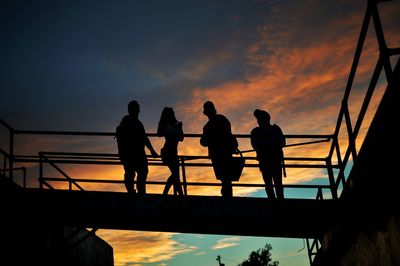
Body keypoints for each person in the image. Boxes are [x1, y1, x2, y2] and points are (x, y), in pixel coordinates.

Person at [116, 100, 158, 195]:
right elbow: (144, 138)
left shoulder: (124, 123)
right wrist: (152, 151)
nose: (138, 112)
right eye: (137, 110)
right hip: (137, 154)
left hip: (127, 154)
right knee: (141, 172)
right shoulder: (137, 123)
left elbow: (144, 138)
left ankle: (132, 192)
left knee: (130, 174)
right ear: (135, 110)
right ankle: (140, 192)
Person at [200, 101, 238, 198]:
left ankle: (226, 196)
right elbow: (229, 134)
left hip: (217, 155)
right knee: (226, 178)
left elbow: (203, 142)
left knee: (224, 177)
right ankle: (227, 196)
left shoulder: (208, 126)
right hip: (225, 153)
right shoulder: (222, 119)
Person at [250, 109, 286, 199]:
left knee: (273, 184)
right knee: (272, 184)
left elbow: (282, 142)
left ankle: (276, 201)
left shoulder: (256, 132)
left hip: (270, 160)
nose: (258, 121)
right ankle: (277, 201)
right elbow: (282, 142)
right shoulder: (274, 129)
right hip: (268, 161)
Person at [157, 107, 184, 196]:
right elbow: (159, 133)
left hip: (173, 152)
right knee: (175, 175)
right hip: (168, 152)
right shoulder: (166, 125)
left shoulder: (175, 124)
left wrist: (180, 128)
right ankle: (181, 196)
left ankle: (166, 194)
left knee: (175, 175)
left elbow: (181, 138)